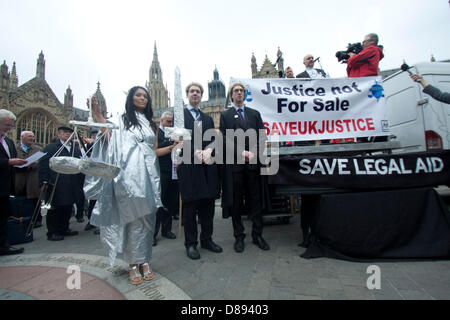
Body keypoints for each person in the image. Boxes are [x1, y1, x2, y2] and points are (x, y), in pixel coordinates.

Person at [87, 86, 175, 285]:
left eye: (145, 96)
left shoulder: (151, 125)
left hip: (150, 177)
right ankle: (133, 264)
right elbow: (109, 137)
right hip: (129, 175)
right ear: (131, 98)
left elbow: (154, 151)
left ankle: (144, 260)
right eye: (138, 95)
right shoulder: (123, 120)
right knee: (130, 218)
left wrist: (171, 147)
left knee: (148, 218)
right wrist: (98, 115)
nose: (142, 98)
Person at [220, 82, 270, 253]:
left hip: (253, 165)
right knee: (236, 203)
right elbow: (225, 139)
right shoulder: (225, 115)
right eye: (236, 91)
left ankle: (257, 235)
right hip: (236, 167)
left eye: (241, 91)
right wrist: (242, 152)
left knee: (255, 201)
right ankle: (239, 236)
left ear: (245, 95)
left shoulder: (254, 114)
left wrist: (254, 153)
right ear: (232, 95)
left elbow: (262, 137)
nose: (239, 93)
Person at [177, 82, 222, 260]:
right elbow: (175, 139)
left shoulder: (208, 118)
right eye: (192, 91)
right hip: (188, 166)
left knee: (208, 206)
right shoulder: (179, 116)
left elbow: (213, 140)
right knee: (190, 206)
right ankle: (191, 244)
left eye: (198, 92)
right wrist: (194, 151)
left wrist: (209, 150)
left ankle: (207, 239)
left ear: (201, 96)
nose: (195, 94)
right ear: (187, 94)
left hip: (206, 166)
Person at [38, 126, 83, 241]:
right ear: (59, 134)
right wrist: (44, 181)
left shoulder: (75, 149)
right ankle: (52, 232)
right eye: (64, 133)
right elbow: (43, 165)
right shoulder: (51, 147)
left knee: (68, 206)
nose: (67, 135)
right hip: (56, 183)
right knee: (55, 208)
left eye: (69, 133)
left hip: (71, 182)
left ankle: (64, 228)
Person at [0, 109, 27, 256]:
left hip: (5, 186)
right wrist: (8, 162)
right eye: (6, 125)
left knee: (3, 218)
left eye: (11, 126)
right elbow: (7, 161)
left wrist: (21, 163)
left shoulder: (8, 142)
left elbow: (13, 159)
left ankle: (3, 245)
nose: (9, 128)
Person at [153, 111, 178, 245]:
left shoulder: (175, 132)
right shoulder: (157, 133)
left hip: (174, 171)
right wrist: (171, 143)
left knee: (170, 202)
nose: (170, 124)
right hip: (161, 171)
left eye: (172, 122)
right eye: (168, 121)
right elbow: (155, 149)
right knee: (159, 203)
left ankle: (166, 229)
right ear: (161, 121)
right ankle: (153, 233)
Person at [15, 131, 43, 227]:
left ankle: (37, 219)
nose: (32, 138)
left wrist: (37, 163)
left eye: (33, 136)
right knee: (20, 201)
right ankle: (21, 220)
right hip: (19, 178)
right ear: (22, 137)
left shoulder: (38, 149)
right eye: (29, 136)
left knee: (35, 201)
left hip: (33, 178)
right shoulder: (14, 148)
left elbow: (42, 162)